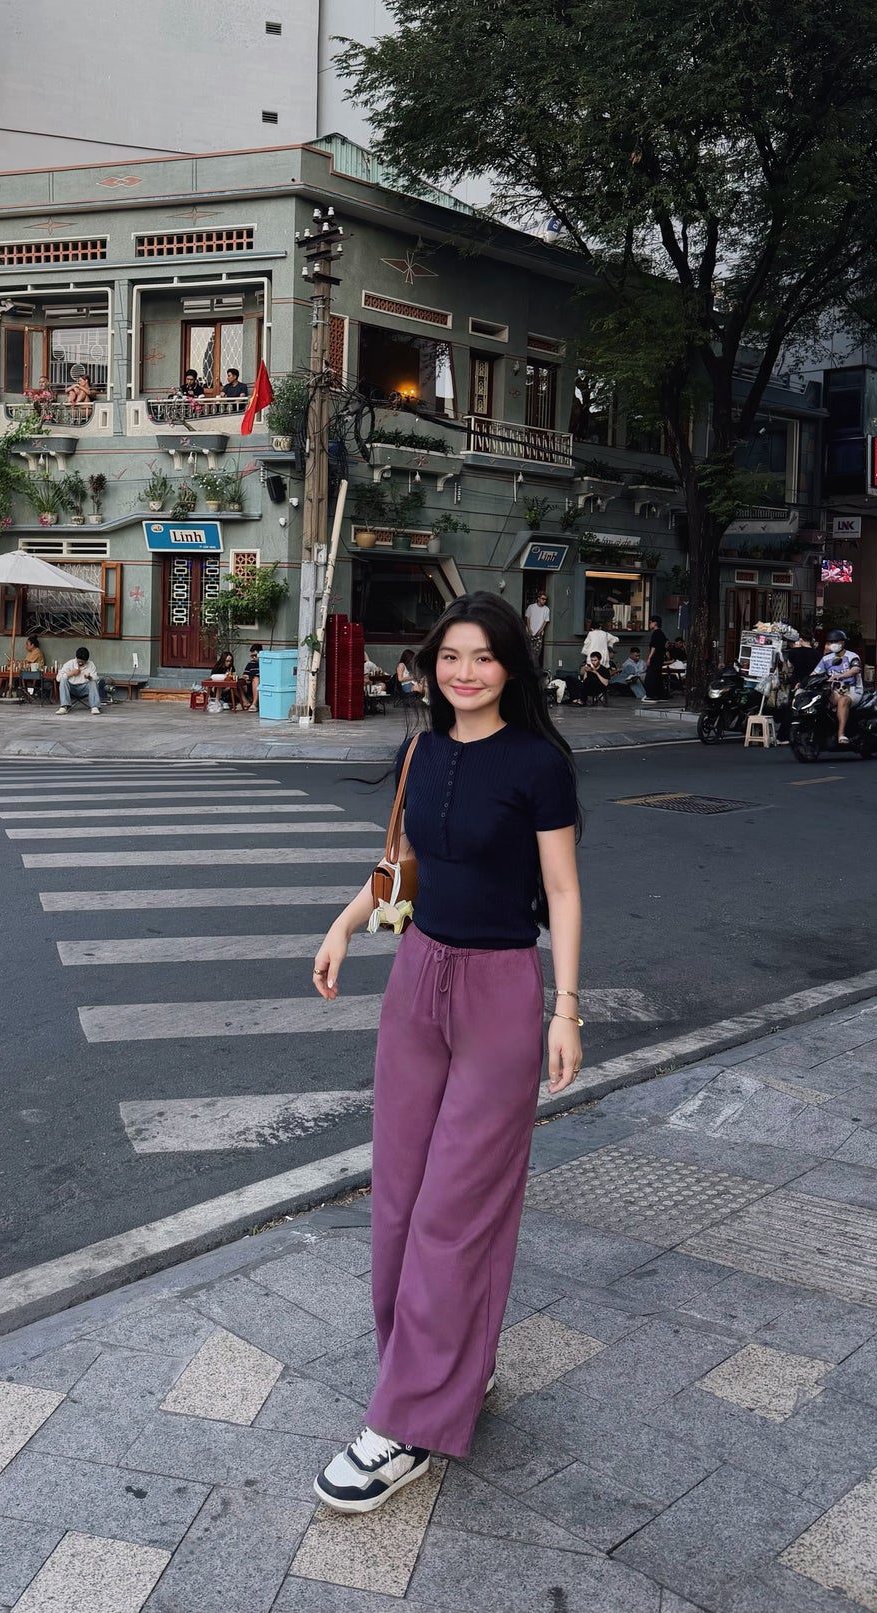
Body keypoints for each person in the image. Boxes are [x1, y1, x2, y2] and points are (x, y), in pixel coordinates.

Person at [310, 592, 582, 1512]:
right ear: (429, 666)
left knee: (453, 1211)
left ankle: (405, 1424)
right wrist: (346, 923)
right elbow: (403, 862)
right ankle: (435, 1376)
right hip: (415, 980)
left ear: (512, 666)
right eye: (450, 657)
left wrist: (566, 1008)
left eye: (484, 657)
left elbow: (562, 888)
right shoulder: (420, 750)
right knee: (398, 1197)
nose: (465, 673)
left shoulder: (538, 764)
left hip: (501, 991)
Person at [810, 629, 864, 743]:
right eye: (831, 642)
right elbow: (815, 673)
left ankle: (841, 734)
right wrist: (804, 682)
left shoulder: (852, 656)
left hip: (852, 691)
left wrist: (839, 676)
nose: (833, 644)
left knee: (843, 700)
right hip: (833, 690)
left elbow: (855, 669)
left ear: (842, 643)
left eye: (836, 642)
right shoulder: (826, 659)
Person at [55, 645, 101, 716]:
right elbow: (58, 678)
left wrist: (89, 677)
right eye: (79, 661)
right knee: (63, 680)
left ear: (86, 660)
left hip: (84, 688)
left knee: (93, 682)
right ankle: (64, 706)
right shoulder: (70, 664)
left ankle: (94, 706)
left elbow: (96, 677)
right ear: (76, 658)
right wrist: (71, 673)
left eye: (83, 662)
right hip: (72, 688)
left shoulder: (91, 664)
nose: (80, 663)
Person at [643, 614, 668, 701]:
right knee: (657, 676)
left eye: (650, 622)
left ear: (655, 623)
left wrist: (649, 658)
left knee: (650, 676)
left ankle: (651, 695)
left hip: (655, 658)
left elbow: (654, 646)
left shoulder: (656, 633)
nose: (649, 624)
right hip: (660, 657)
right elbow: (665, 645)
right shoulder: (662, 633)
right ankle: (661, 694)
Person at [524, 591, 550, 666]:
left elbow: (545, 621)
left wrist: (540, 630)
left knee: (536, 653)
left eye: (545, 599)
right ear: (538, 598)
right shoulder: (531, 607)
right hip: (529, 633)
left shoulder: (546, 609)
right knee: (528, 651)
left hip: (539, 634)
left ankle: (534, 669)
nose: (544, 601)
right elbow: (527, 618)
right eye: (542, 599)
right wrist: (529, 629)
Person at [240, 642, 262, 708]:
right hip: (249, 684)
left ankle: (254, 704)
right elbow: (245, 674)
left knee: (256, 679)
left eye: (255, 655)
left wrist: (251, 677)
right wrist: (245, 677)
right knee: (237, 683)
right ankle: (245, 701)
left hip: (259, 683)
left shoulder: (265, 663)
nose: (254, 658)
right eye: (252, 656)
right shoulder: (250, 663)